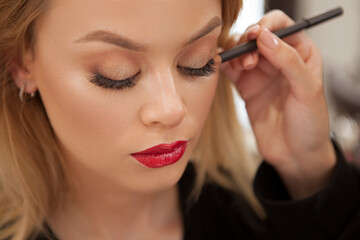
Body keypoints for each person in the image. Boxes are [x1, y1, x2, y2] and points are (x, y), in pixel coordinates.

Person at [0, 0, 359, 239]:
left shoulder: (252, 223)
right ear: (21, 62)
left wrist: (308, 170)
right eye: (117, 74)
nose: (172, 109)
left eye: (197, 61)